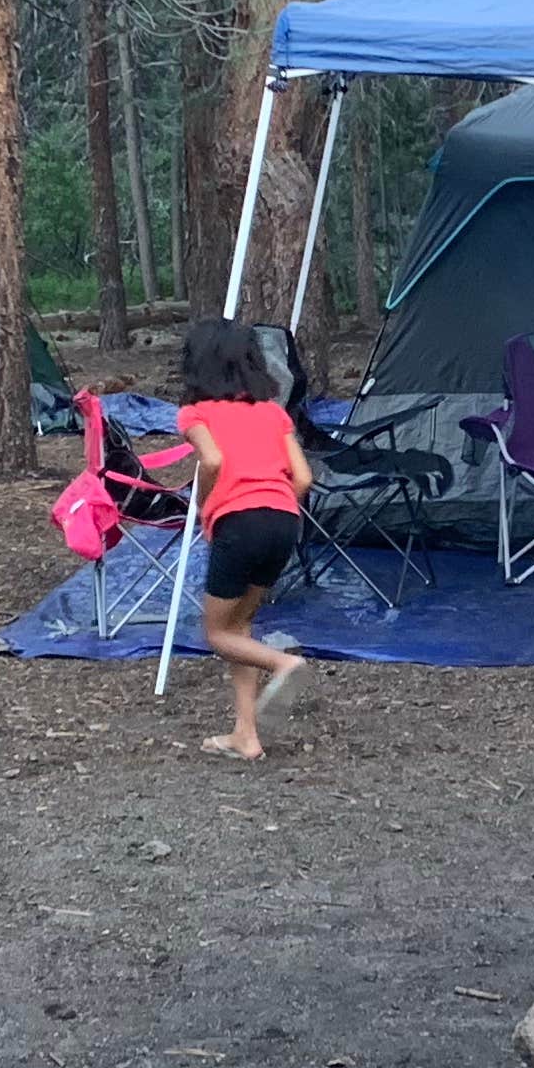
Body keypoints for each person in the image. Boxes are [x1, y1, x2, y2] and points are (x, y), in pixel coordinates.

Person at [175, 317, 315, 760]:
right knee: (241, 627)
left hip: (239, 524)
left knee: (216, 632)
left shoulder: (195, 414)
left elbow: (212, 460)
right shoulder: (273, 413)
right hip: (283, 522)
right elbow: (304, 477)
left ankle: (284, 664)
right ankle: (246, 735)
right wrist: (272, 504)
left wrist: (205, 505)